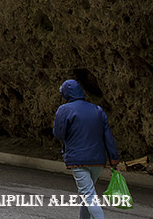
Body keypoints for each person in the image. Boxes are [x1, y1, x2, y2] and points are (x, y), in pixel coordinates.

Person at [53, 79, 123, 219]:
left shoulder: (64, 109)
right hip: (98, 160)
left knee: (88, 194)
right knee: (85, 193)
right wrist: (113, 160)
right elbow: (108, 137)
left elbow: (58, 134)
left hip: (77, 159)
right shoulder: (97, 110)